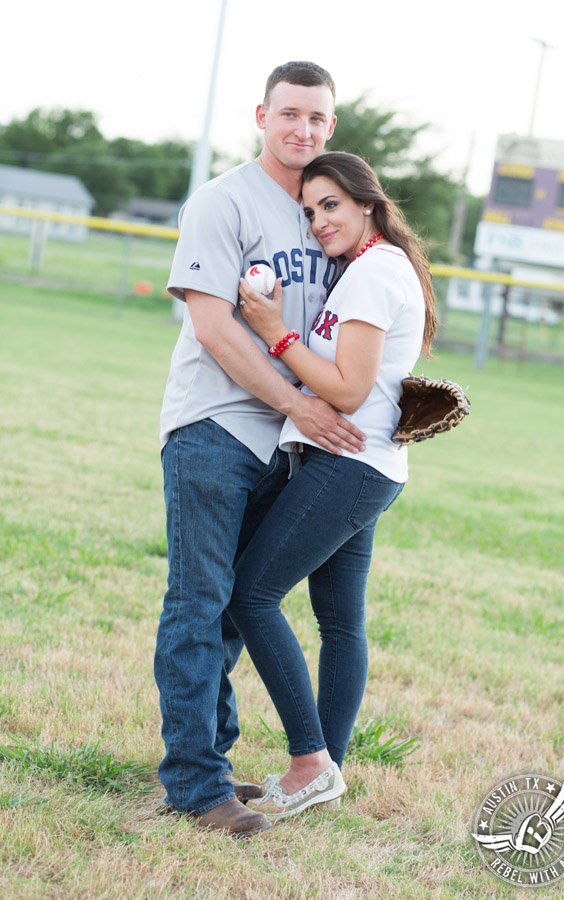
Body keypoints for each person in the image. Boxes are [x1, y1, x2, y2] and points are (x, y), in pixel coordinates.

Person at [154, 64, 367, 839]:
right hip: (216, 427)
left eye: (316, 119)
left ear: (330, 128)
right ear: (261, 116)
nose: (301, 130)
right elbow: (213, 327)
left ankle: (207, 761)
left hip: (287, 443)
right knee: (199, 604)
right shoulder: (223, 199)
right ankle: (194, 786)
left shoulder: (324, 211)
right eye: (288, 115)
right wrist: (294, 402)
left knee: (236, 613)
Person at [227, 151, 437, 820]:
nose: (319, 221)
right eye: (311, 210)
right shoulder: (372, 270)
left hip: (350, 464)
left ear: (367, 204)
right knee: (340, 621)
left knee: (253, 595)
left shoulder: (375, 273)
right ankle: (328, 769)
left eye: (332, 206)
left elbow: (345, 389)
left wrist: (273, 331)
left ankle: (311, 762)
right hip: (366, 465)